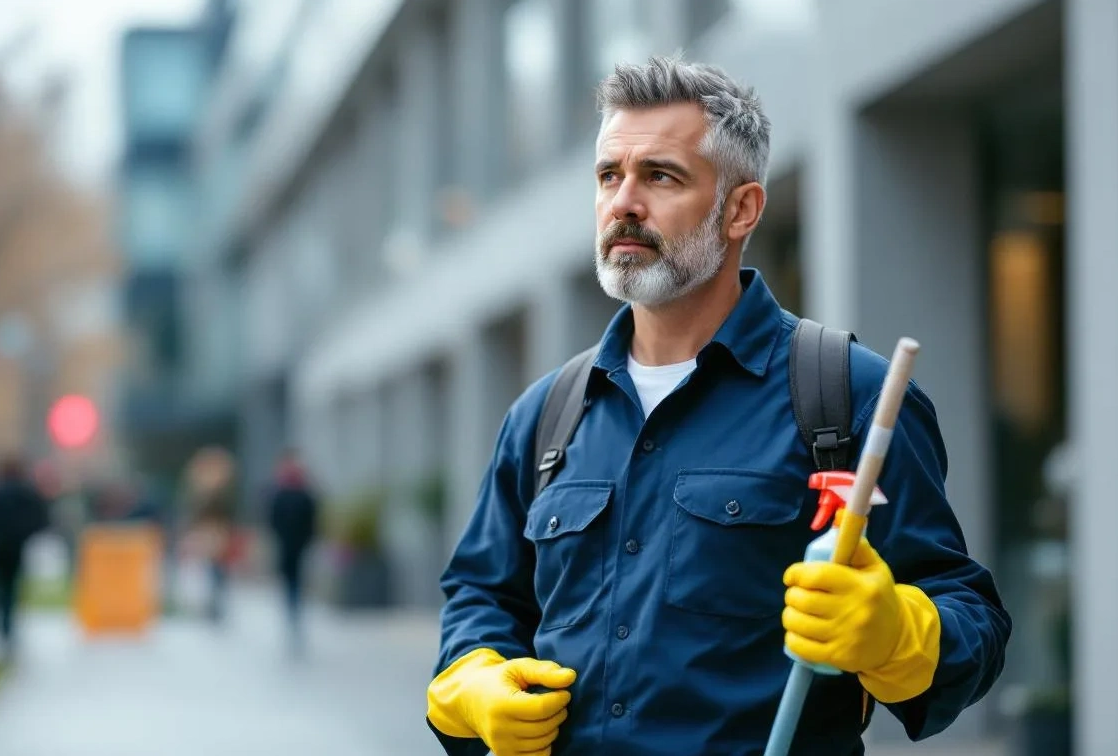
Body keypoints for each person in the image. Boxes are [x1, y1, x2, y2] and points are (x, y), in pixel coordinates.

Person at [425, 56, 1011, 755]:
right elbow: (481, 597)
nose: (624, 203)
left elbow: (973, 622)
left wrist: (894, 633)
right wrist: (476, 682)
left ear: (742, 209)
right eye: (609, 176)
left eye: (660, 176)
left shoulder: (847, 397)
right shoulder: (545, 415)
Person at [0, 455, 50, 653]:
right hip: (17, 547)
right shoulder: (27, 493)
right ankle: (7, 629)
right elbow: (41, 519)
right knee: (11, 588)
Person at [265, 449, 320, 655]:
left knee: (294, 581)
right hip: (288, 544)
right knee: (290, 580)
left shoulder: (300, 492)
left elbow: (311, 520)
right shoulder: (283, 492)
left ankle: (294, 611)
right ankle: (292, 612)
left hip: (297, 545)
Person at [184, 446, 239, 624]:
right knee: (212, 570)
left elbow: (227, 514)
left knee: (218, 570)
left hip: (219, 534)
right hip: (209, 534)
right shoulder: (203, 493)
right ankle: (214, 604)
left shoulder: (222, 493)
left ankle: (217, 604)